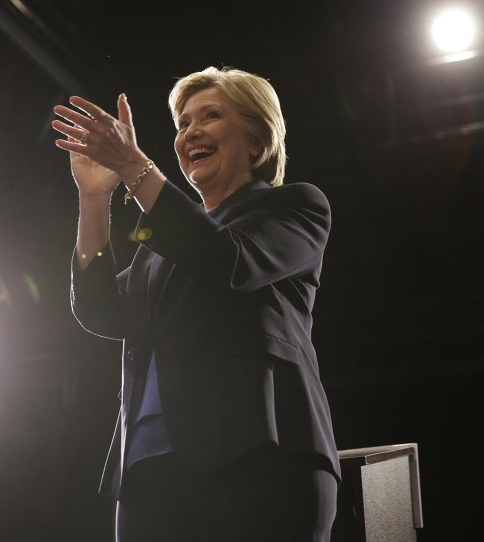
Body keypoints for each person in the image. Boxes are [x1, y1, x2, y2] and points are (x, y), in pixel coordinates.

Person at [52, 67, 339, 541]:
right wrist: (94, 198)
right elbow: (99, 310)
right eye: (183, 123)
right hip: (147, 472)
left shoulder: (295, 208)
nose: (192, 132)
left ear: (255, 138)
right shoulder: (156, 252)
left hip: (258, 458)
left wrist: (136, 168)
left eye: (211, 116)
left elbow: (227, 261)